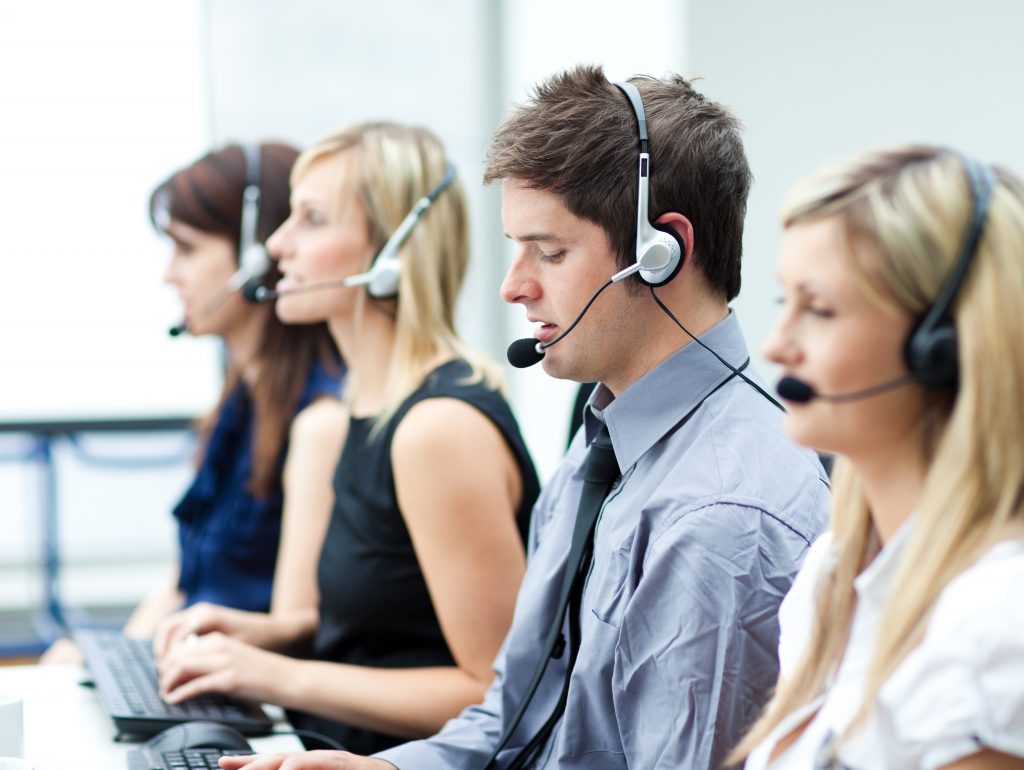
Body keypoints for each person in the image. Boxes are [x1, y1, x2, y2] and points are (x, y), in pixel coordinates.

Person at [221, 64, 829, 770]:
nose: (515, 286)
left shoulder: (721, 519)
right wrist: (384, 769)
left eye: (550, 252)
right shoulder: (606, 441)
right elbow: (514, 715)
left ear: (663, 255)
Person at [155, 121, 541, 755]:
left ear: (391, 253)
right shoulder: (358, 411)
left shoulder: (436, 429)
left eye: (311, 220)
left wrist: (280, 674)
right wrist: (257, 634)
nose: (277, 244)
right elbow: (369, 636)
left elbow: (497, 693)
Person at [729, 147, 1024, 769]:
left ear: (938, 347)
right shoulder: (831, 575)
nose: (777, 345)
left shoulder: (994, 623)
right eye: (786, 302)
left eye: (821, 310)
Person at [40, 143, 345, 664]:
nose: (169, 274)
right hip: (196, 671)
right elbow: (185, 579)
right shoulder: (239, 405)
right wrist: (112, 660)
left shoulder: (319, 420)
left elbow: (291, 635)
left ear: (254, 259)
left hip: (249, 701)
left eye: (186, 248)